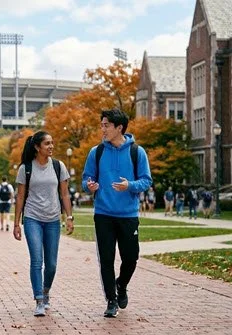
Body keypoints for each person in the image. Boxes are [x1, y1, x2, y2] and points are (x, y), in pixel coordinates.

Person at [82, 109, 152, 318]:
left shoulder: (136, 152)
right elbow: (86, 179)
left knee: (131, 257)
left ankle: (121, 284)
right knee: (106, 258)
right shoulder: (97, 152)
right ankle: (111, 300)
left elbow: (146, 181)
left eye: (106, 125)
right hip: (103, 213)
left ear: (119, 128)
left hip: (128, 215)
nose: (102, 129)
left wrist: (129, 185)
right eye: (101, 125)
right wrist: (90, 186)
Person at [13, 131, 74, 317]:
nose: (51, 146)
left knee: (52, 264)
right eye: (47, 143)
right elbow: (21, 197)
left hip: (53, 220)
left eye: (52, 143)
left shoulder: (58, 166)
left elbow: (64, 194)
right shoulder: (26, 168)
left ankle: (46, 291)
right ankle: (39, 299)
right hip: (32, 218)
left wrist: (69, 217)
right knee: (37, 260)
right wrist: (16, 223)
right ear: (37, 147)